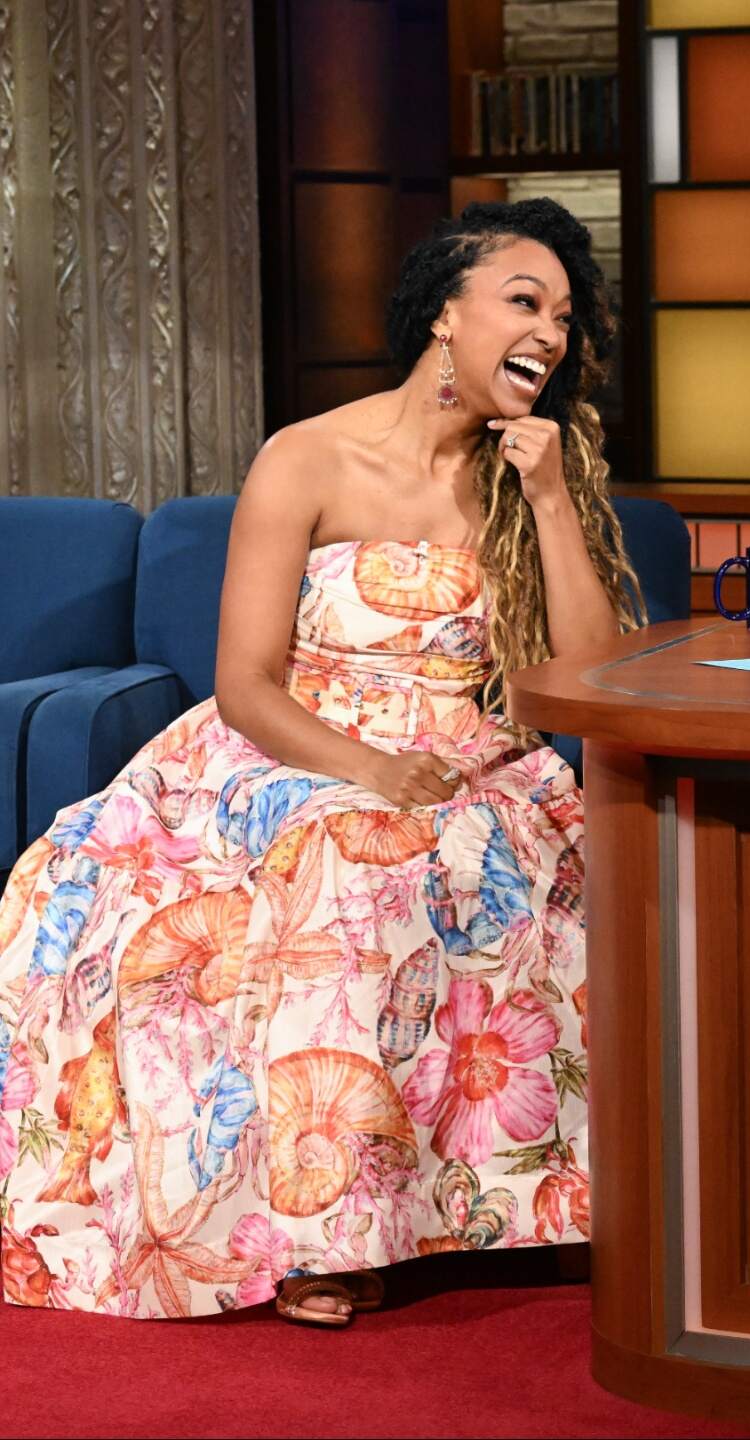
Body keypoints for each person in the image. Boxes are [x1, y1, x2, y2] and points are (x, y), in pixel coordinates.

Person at [0, 199, 637, 1325]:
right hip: (288, 740)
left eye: (566, 317)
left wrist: (545, 498)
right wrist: (368, 770)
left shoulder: (536, 473)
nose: (551, 331)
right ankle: (313, 1230)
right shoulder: (307, 456)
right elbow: (244, 679)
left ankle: (470, 1206)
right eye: (525, 302)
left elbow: (581, 677)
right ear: (446, 314)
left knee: (448, 859)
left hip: (468, 750)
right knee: (319, 857)